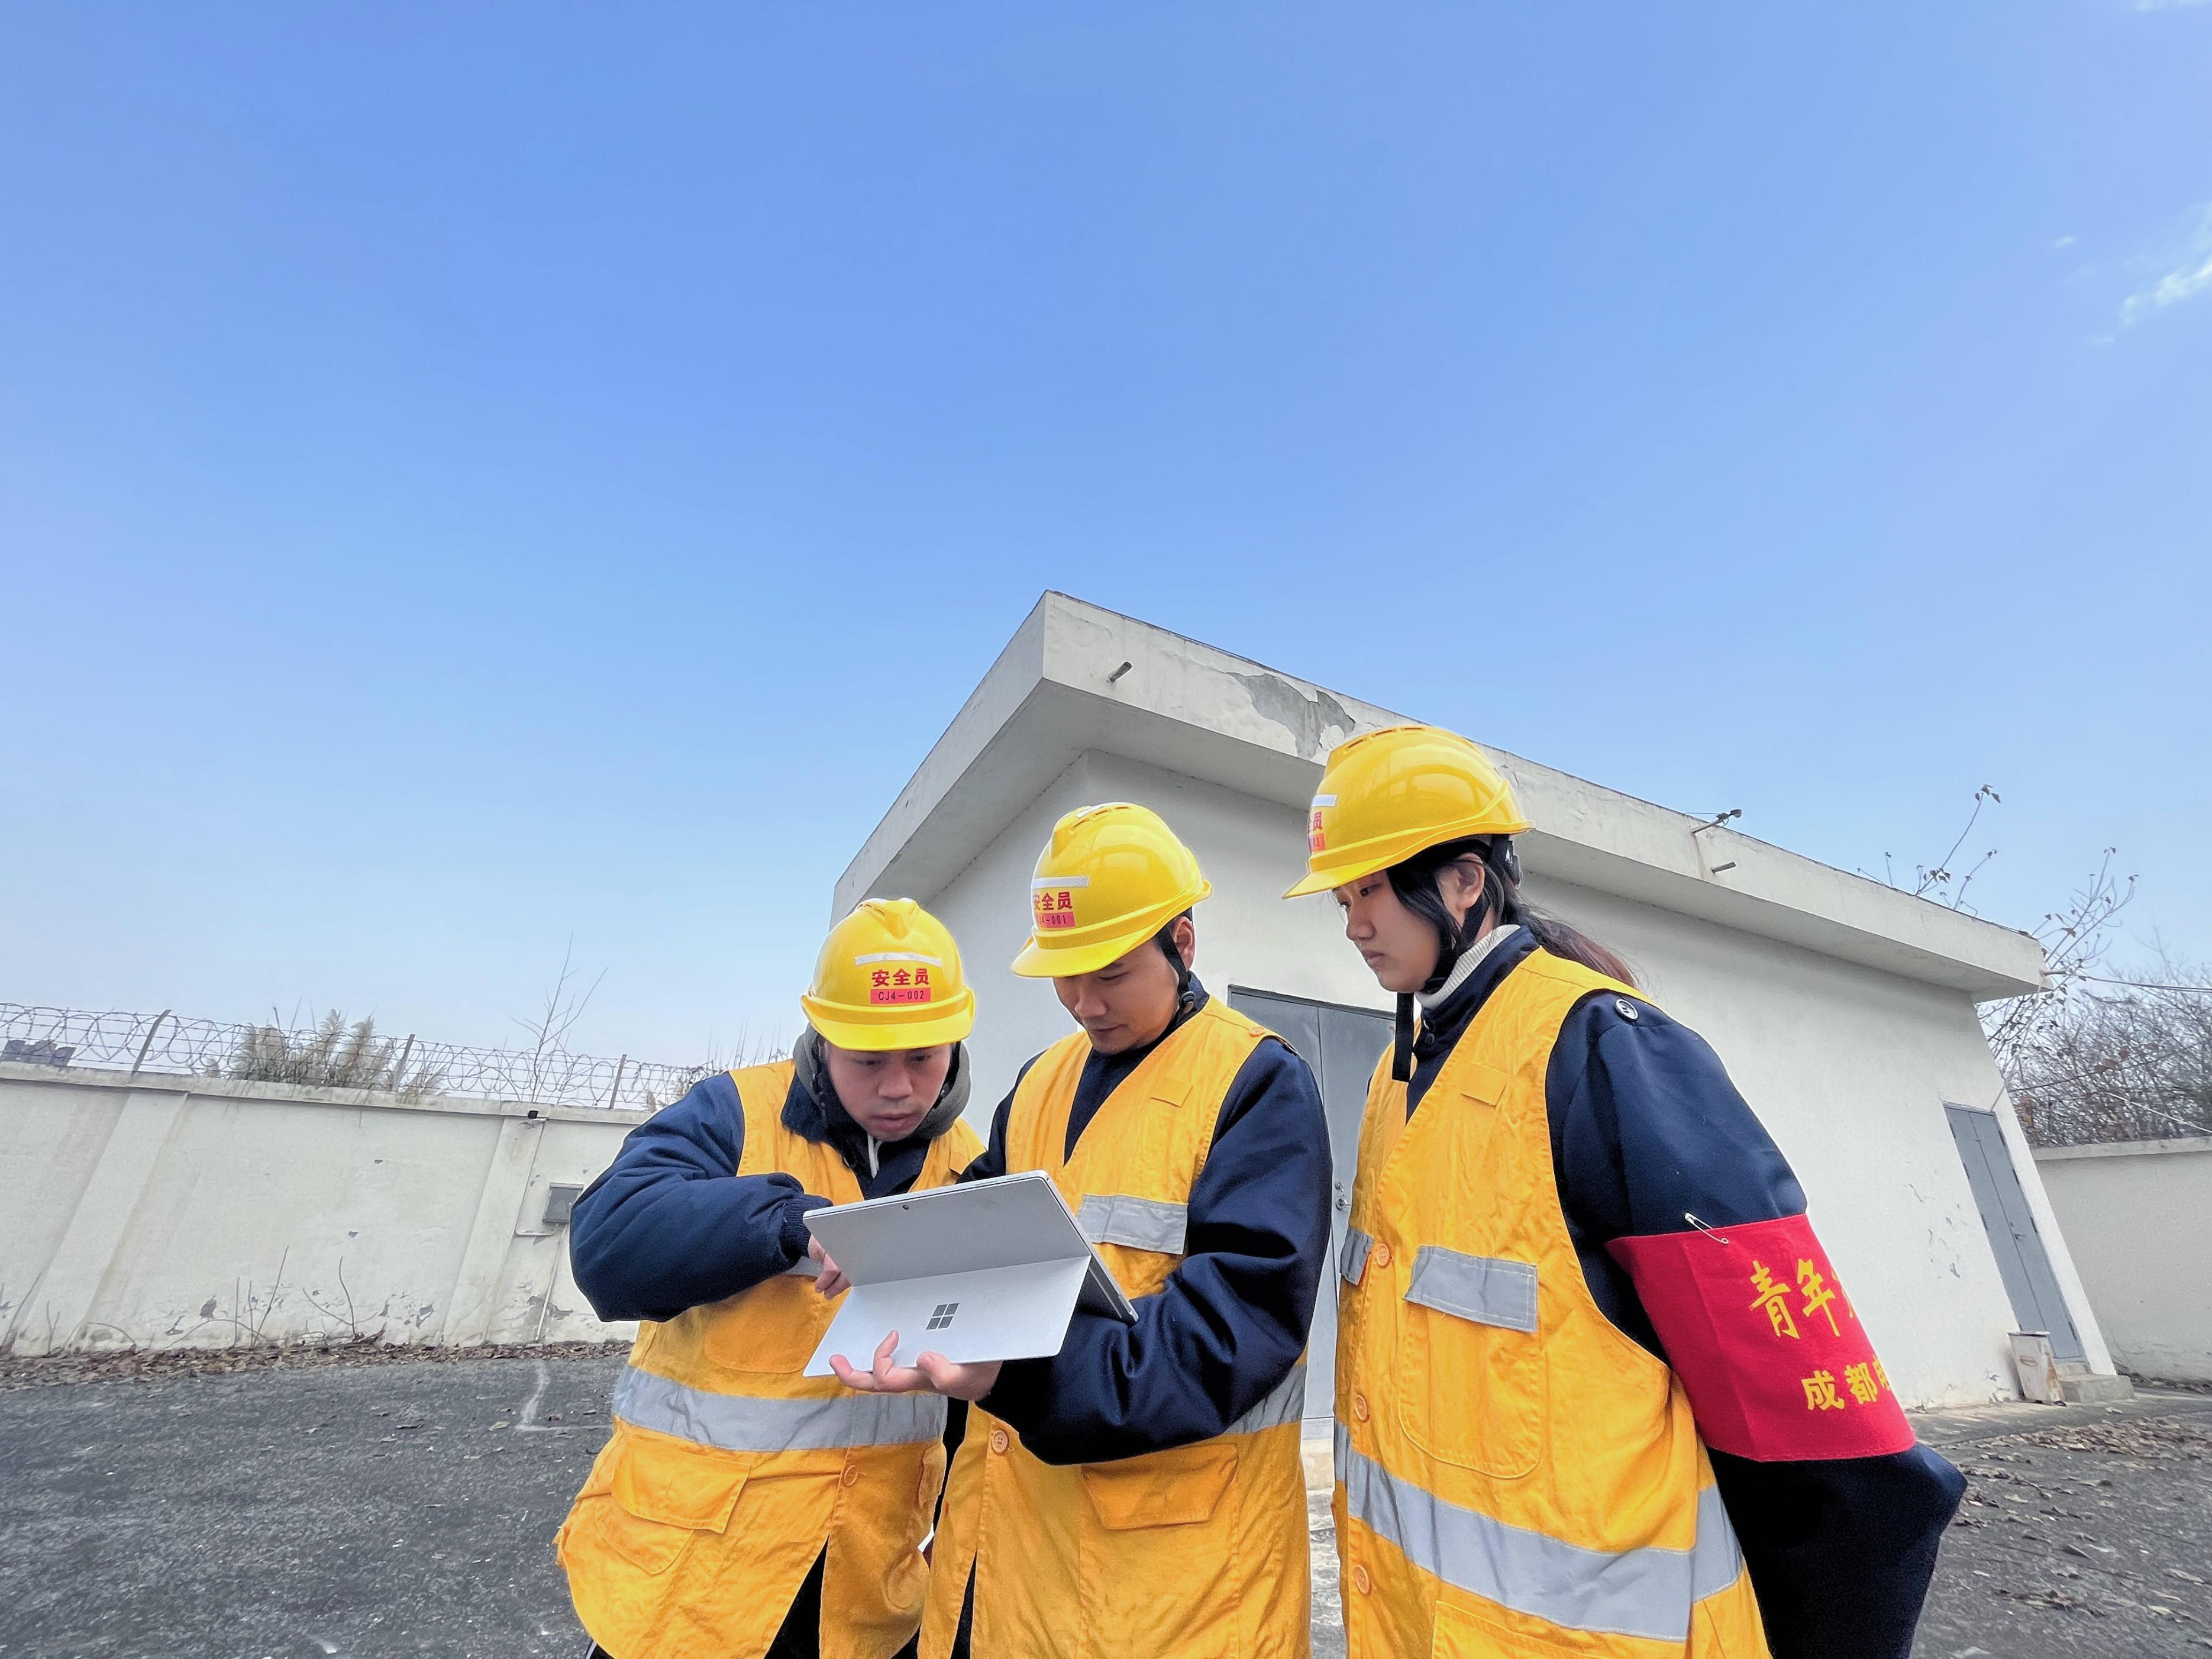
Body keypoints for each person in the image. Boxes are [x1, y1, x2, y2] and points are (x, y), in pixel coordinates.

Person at [1288, 724, 1964, 1659]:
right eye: (1342, 897)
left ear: (1462, 881)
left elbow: (1800, 1409)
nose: (1354, 923)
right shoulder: (1393, 1079)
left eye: (1371, 890)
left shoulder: (1603, 1049)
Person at [826, 803, 1332, 1659]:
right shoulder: (1040, 1081)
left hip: (1176, 1581)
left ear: (1183, 942)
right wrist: (892, 1260)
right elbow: (978, 1219)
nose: (1082, 1002)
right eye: (1064, 975)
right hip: (1012, 1555)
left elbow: (1230, 1333)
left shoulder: (1255, 1082)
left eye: (1110, 973)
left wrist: (1015, 1375)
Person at [556, 898, 986, 1659]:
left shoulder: (971, 1164)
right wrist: (787, 1223)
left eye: (923, 1056)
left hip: (862, 1593)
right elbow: (607, 1243)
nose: (898, 1087)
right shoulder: (734, 1111)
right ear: (822, 1042)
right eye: (869, 1060)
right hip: (692, 1579)